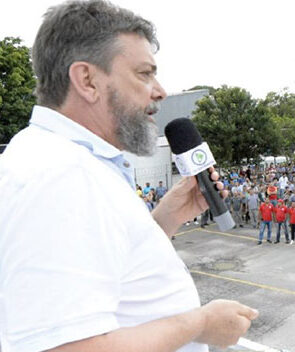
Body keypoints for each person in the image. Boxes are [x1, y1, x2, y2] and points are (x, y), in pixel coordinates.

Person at [0, 1, 257, 351]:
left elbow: (106, 268)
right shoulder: (60, 174)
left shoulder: (71, 160)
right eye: (143, 73)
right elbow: (64, 347)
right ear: (87, 80)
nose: (160, 90)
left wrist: (166, 219)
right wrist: (200, 323)